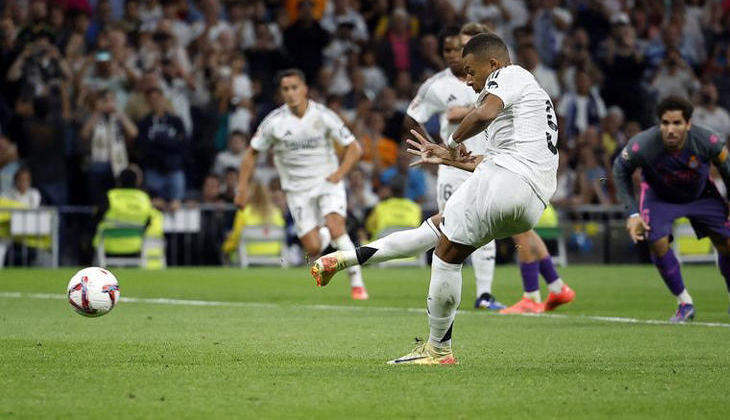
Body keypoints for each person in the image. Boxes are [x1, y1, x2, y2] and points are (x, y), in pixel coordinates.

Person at [312, 33, 560, 364]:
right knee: (438, 231)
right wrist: (449, 156)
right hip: (530, 198)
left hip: (507, 181)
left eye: (471, 71)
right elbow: (493, 157)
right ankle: (343, 260)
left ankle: (438, 349)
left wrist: (454, 139)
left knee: (444, 254)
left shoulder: (510, 75)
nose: (469, 80)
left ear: (494, 64)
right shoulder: (531, 100)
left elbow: (483, 114)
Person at [612, 95, 730, 322]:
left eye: (677, 123)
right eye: (665, 123)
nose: (670, 129)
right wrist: (632, 213)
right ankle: (684, 303)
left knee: (729, 244)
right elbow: (619, 169)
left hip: (701, 194)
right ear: (659, 124)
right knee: (657, 242)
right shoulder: (643, 144)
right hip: (660, 196)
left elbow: (725, 163)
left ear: (688, 124)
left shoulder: (708, 140)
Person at [236, 68, 368, 300]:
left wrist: (339, 173)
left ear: (305, 88)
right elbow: (251, 154)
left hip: (327, 181)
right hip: (296, 190)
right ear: (281, 92)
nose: (291, 93)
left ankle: (357, 283)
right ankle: (326, 240)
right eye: (285, 89)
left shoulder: (323, 115)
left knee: (338, 228)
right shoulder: (274, 122)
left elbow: (354, 148)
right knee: (313, 248)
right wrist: (243, 187)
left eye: (295, 87)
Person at [404, 23, 504, 310]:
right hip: (452, 166)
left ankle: (484, 295)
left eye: (461, 48)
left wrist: (465, 112)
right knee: (450, 227)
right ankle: (444, 294)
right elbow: (412, 117)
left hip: (487, 162)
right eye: (451, 49)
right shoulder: (436, 85)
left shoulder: (497, 81)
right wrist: (430, 143)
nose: (456, 55)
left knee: (486, 227)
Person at [222, 181, 285, 264]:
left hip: (248, 255)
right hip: (274, 254)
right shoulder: (277, 212)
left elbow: (236, 236)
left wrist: (226, 247)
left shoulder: (243, 212)